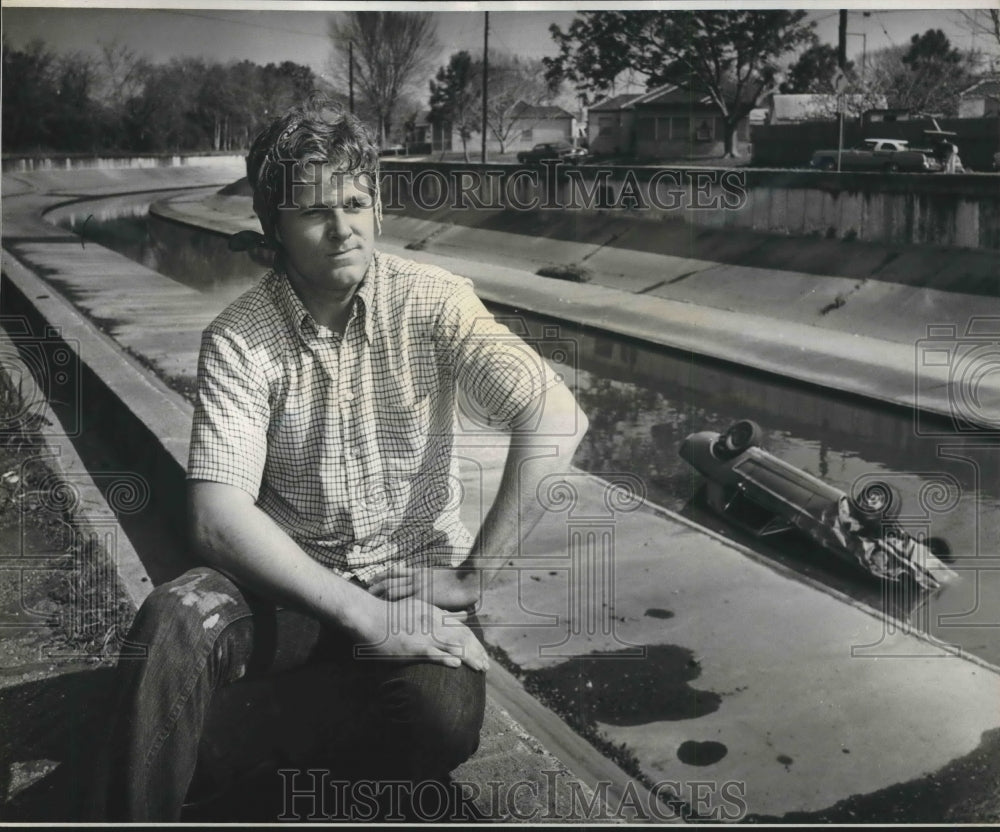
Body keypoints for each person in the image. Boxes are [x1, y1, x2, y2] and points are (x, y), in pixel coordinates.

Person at [100, 99, 588, 821]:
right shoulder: (241, 338)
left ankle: (238, 743)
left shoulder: (435, 303)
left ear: (380, 209)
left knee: (442, 721)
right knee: (175, 618)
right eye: (311, 212)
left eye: (356, 202)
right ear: (274, 229)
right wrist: (360, 617)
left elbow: (556, 415)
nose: (341, 229)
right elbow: (217, 517)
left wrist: (474, 575)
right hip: (286, 590)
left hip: (408, 577)